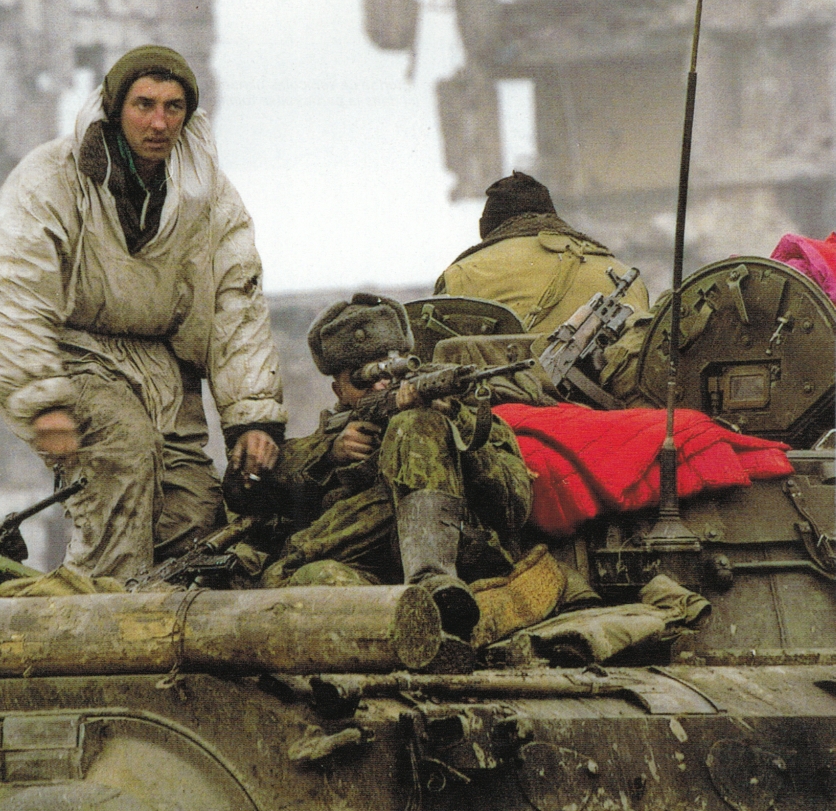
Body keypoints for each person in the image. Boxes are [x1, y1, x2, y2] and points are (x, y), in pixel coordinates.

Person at [0, 45, 286, 581]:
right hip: (76, 352)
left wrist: (251, 418)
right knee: (123, 456)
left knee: (194, 511)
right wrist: (41, 399)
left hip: (164, 365)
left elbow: (236, 300)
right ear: (116, 108)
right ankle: (101, 626)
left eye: (173, 107)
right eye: (144, 105)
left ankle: (174, 629)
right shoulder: (53, 178)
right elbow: (11, 288)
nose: (159, 122)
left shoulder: (209, 195)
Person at [232, 294, 533, 641]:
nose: (380, 382)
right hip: (376, 576)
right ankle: (408, 630)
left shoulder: (466, 417)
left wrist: (452, 422)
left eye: (392, 368)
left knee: (413, 423)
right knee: (313, 578)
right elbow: (250, 492)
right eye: (363, 377)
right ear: (338, 390)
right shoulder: (331, 439)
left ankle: (433, 584)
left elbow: (515, 509)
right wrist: (331, 456)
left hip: (462, 565)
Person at [434, 171, 651, 400]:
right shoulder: (625, 274)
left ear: (487, 229)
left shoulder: (462, 275)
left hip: (508, 415)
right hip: (623, 415)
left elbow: (434, 373)